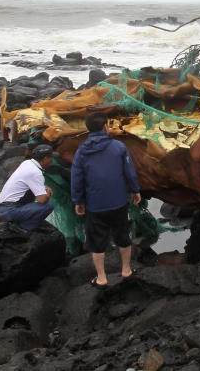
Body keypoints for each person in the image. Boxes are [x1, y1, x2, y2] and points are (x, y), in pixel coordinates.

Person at [71, 111, 142, 288]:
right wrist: (135, 190)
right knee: (122, 235)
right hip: (118, 202)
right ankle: (126, 269)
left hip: (95, 205)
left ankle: (102, 277)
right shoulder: (118, 147)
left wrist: (78, 201)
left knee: (96, 241)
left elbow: (77, 178)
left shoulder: (81, 151)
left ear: (88, 129)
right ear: (105, 127)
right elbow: (129, 172)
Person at [0, 144, 55, 230]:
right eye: (51, 158)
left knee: (31, 192)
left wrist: (44, 187)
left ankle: (20, 222)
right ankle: (25, 229)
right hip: (9, 211)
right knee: (48, 205)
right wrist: (48, 194)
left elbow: (27, 180)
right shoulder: (36, 172)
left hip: (1, 207)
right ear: (45, 159)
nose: (52, 160)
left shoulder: (27, 163)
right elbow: (42, 200)